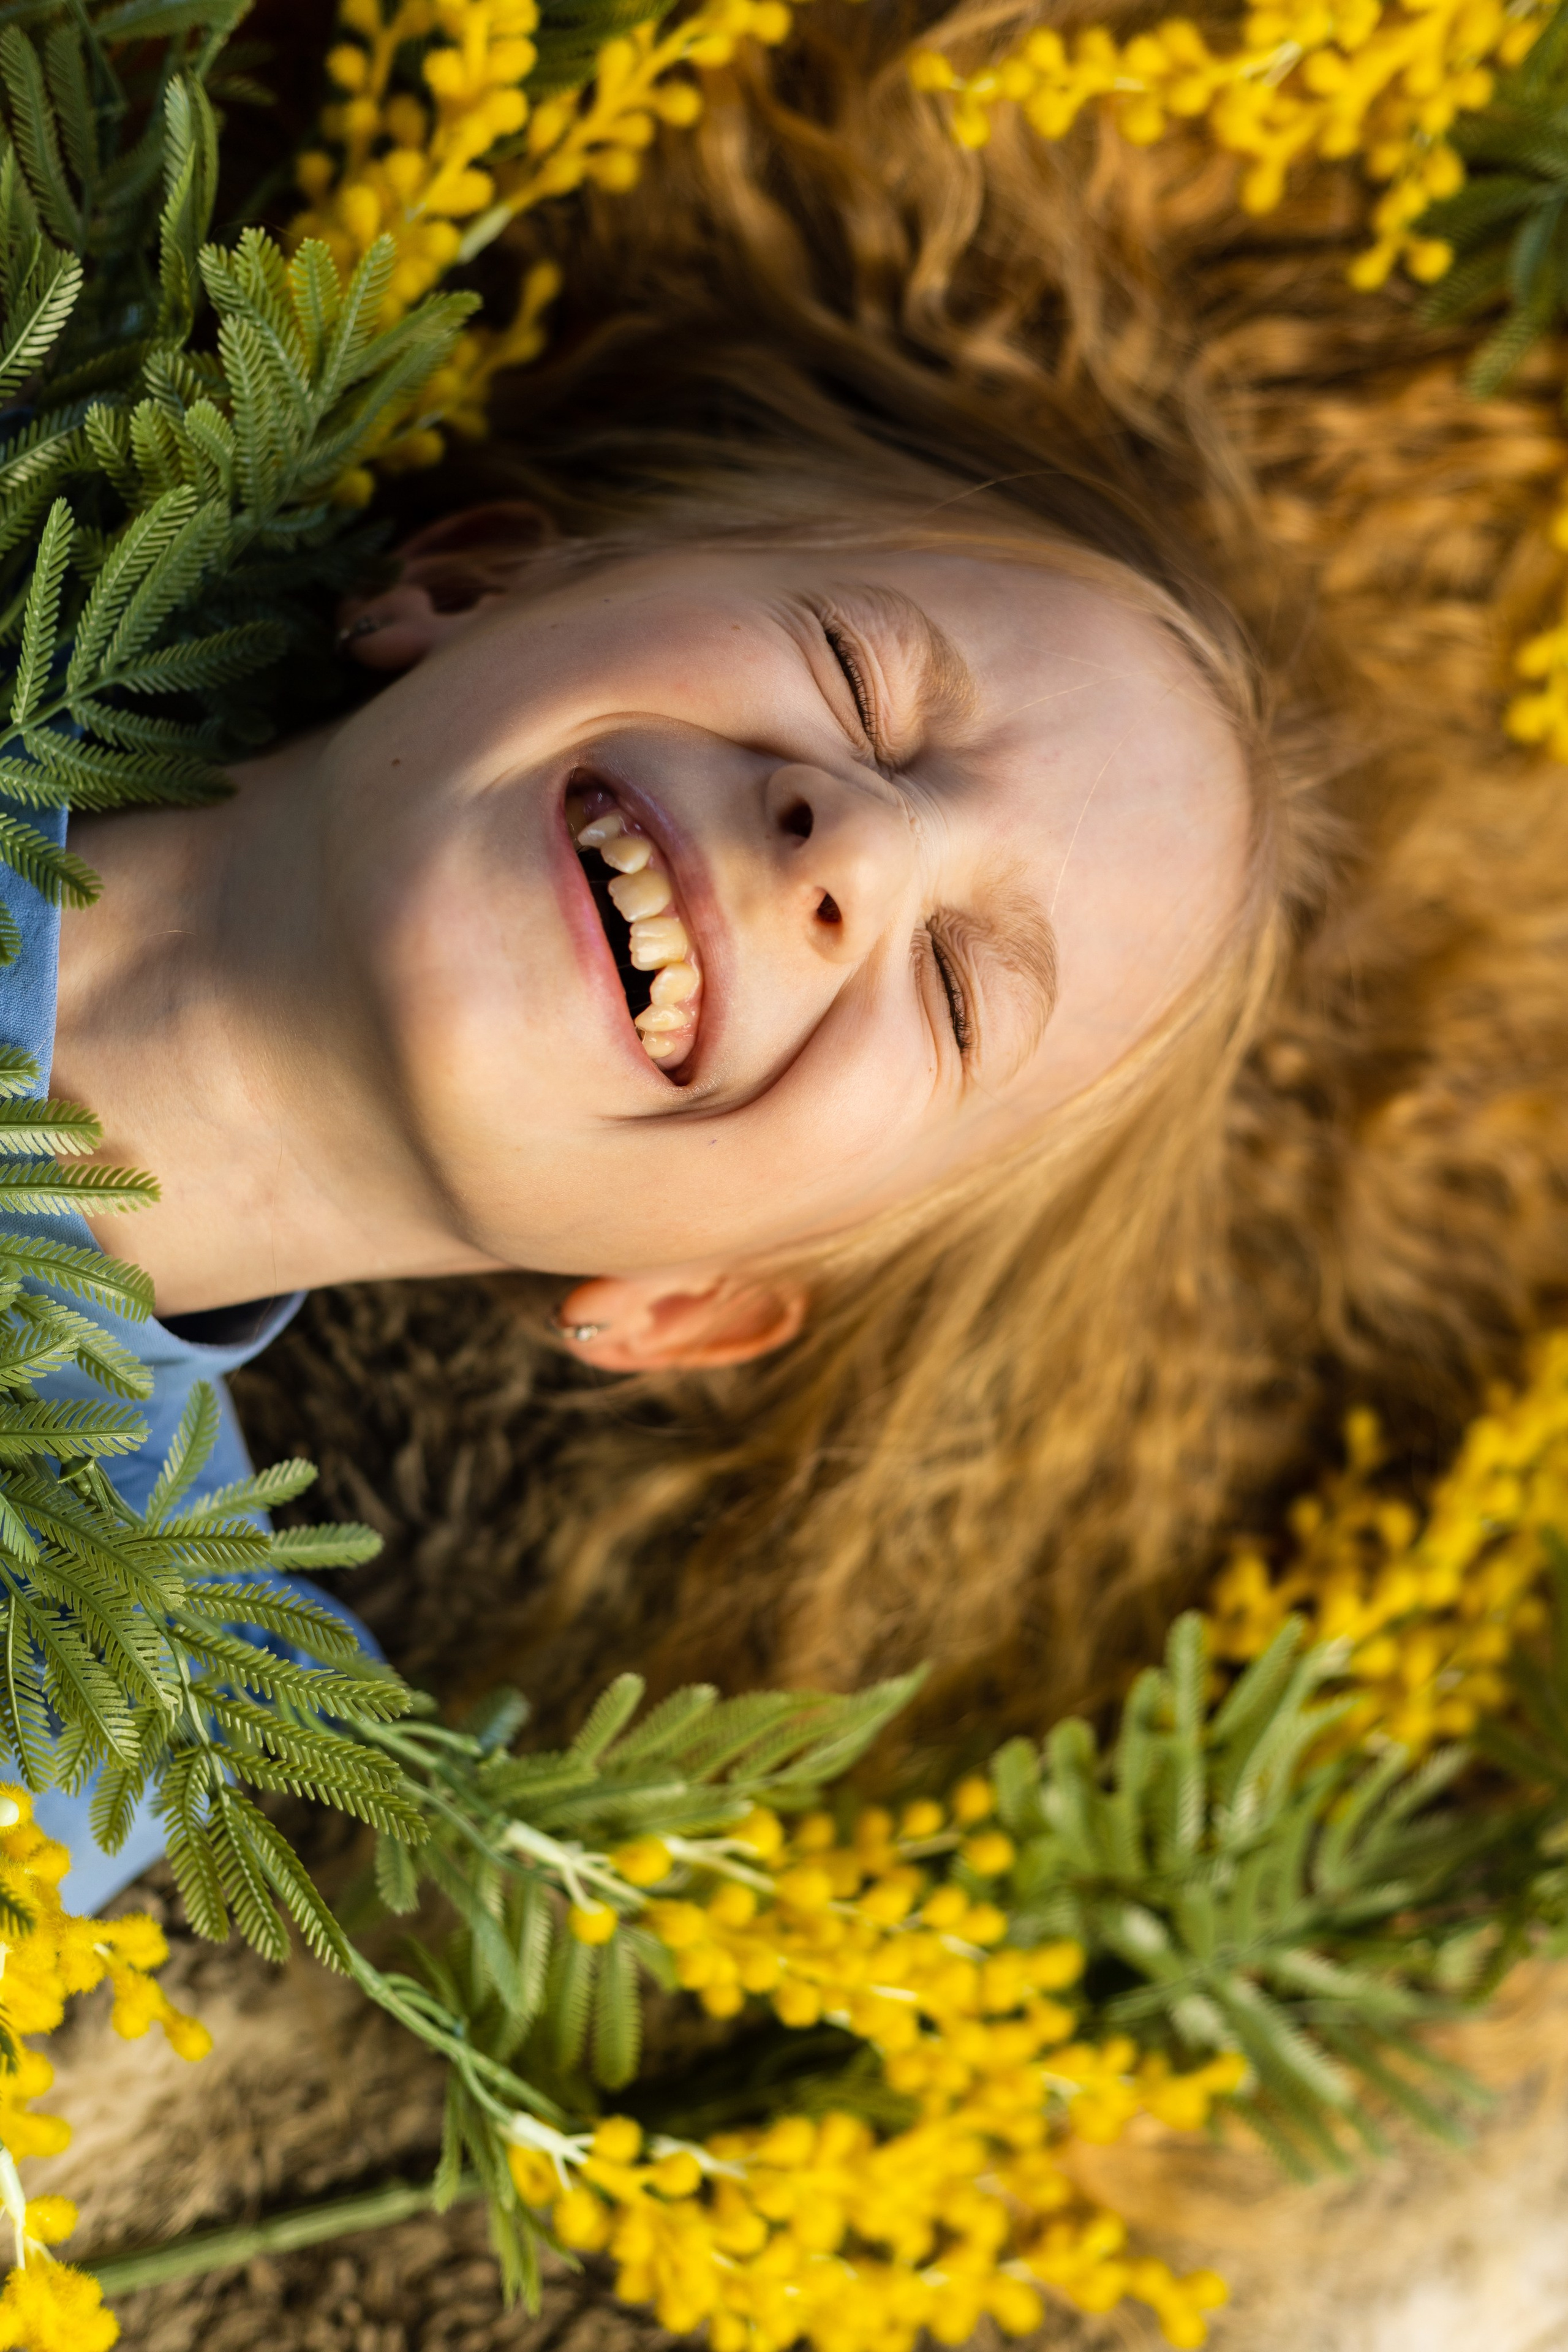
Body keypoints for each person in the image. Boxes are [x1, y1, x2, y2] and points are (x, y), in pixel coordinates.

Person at [21, 0, 1568, 1882]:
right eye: (858, 673)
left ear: (691, 1303)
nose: (860, 839)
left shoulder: (112, 1723)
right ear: (465, 580)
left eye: (951, 990)